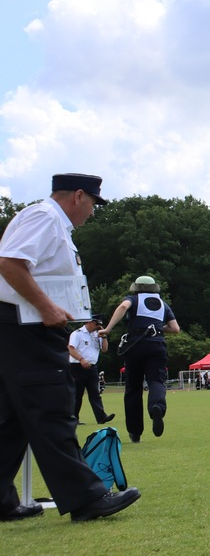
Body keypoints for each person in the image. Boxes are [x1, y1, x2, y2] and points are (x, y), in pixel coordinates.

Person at [0, 173, 140, 522]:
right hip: (26, 326)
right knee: (52, 408)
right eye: (93, 203)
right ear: (78, 196)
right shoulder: (45, 218)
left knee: (12, 417)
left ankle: (0, 499)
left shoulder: (51, 222)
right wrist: (46, 306)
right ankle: (86, 498)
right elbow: (9, 263)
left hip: (18, 326)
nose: (92, 212)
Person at [99, 276, 181, 442]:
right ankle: (157, 407)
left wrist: (108, 328)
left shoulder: (133, 299)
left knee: (133, 388)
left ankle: (135, 432)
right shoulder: (163, 305)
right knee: (156, 381)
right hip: (157, 344)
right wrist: (157, 328)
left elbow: (123, 306)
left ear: (136, 288)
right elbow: (175, 328)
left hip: (135, 345)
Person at [68, 315, 114, 425]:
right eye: (96, 324)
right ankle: (74, 418)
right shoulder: (77, 333)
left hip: (92, 367)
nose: (98, 327)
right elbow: (71, 348)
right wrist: (81, 359)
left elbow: (104, 349)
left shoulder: (97, 335)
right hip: (77, 366)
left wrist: (103, 336)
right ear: (89, 322)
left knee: (95, 393)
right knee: (77, 394)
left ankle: (101, 417)